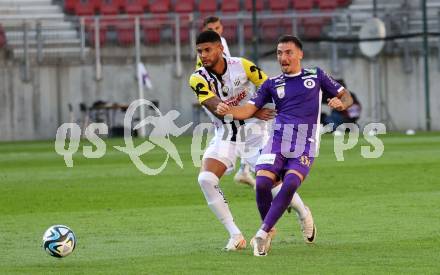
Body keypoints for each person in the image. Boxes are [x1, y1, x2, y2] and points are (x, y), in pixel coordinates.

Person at [216, 35, 353, 256]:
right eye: (279, 53)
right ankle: (269, 231)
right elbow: (248, 110)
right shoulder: (272, 83)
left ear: (300, 54)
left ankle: (263, 233)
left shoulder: (315, 75)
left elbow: (345, 96)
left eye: (288, 52)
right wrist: (227, 110)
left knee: (289, 183)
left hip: (305, 141)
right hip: (278, 140)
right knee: (261, 183)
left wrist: (340, 103)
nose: (283, 57)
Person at [189, 31, 315, 251]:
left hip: (255, 133)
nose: (203, 55)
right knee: (206, 179)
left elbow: (271, 87)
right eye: (199, 51)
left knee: (274, 184)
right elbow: (216, 108)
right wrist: (249, 111)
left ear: (220, 48)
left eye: (208, 50)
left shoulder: (243, 65)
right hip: (225, 133)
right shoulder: (197, 78)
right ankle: (235, 235)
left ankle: (304, 213)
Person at [196, 16, 255, 186]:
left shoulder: (221, 42)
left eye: (217, 27)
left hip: (230, 94)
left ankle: (241, 168)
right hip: (217, 97)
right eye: (211, 28)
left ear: (221, 28)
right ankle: (230, 160)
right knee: (239, 126)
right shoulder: (207, 51)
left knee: (248, 126)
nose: (215, 31)